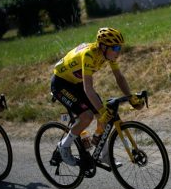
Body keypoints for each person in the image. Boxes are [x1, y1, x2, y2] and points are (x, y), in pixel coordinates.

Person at [51, 27, 144, 165]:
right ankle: (63, 146)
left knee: (105, 115)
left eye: (120, 48)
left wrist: (130, 97)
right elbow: (88, 88)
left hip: (76, 83)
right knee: (88, 116)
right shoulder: (89, 55)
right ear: (104, 46)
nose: (119, 52)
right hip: (61, 83)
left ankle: (104, 155)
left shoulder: (108, 55)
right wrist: (101, 111)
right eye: (116, 48)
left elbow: (119, 77)